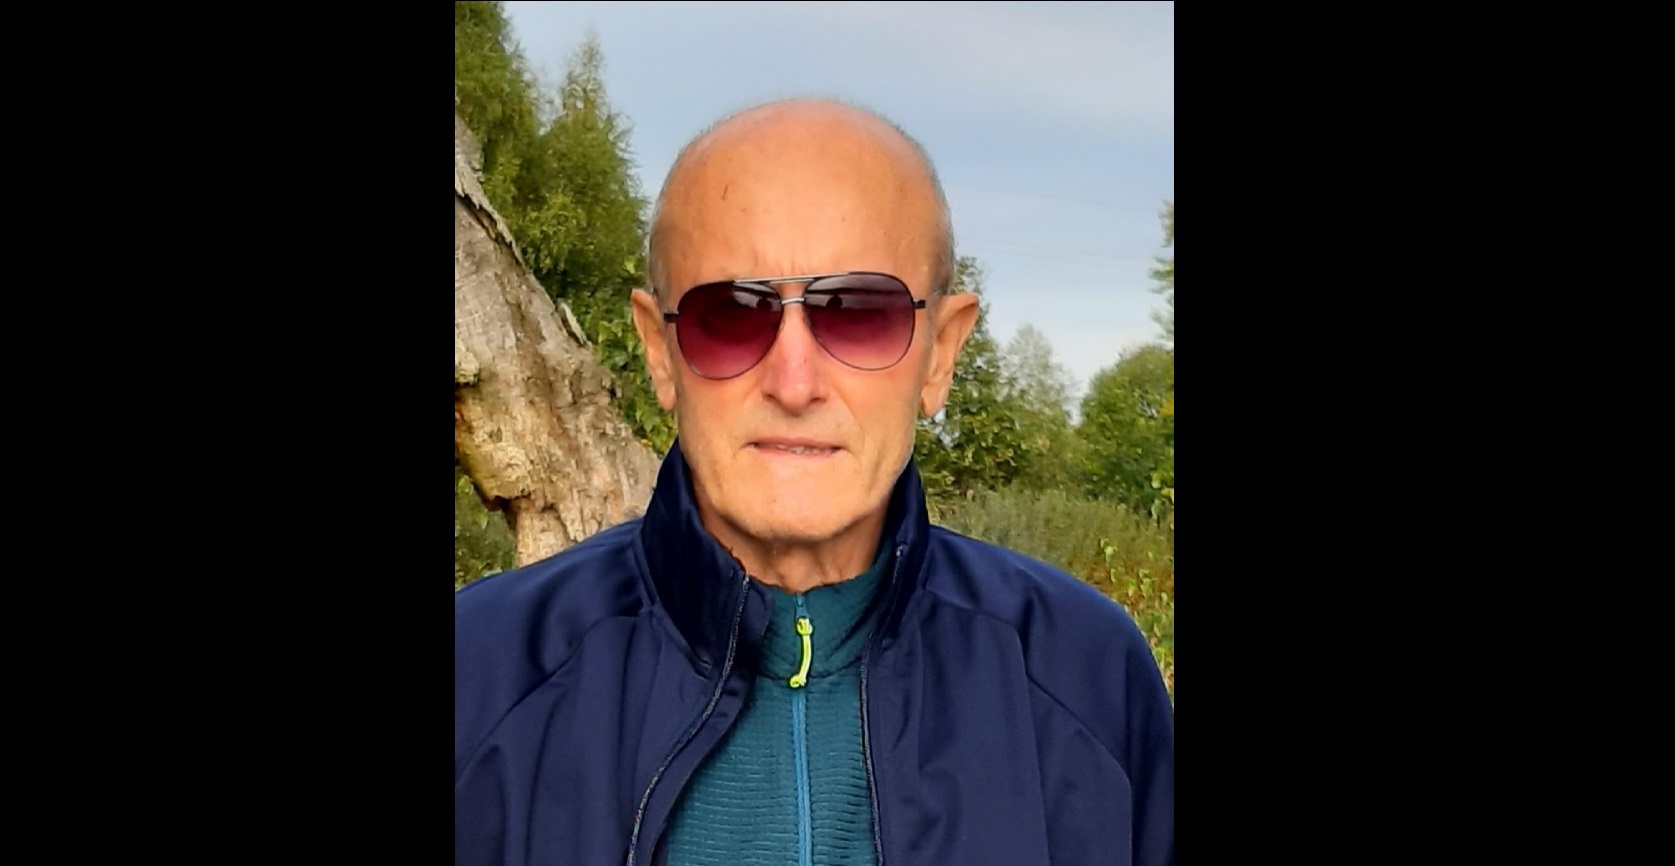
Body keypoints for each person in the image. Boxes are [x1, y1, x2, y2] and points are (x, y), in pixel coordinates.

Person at [455, 97, 1174, 866]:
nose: (793, 383)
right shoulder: (480, 675)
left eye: (858, 314)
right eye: (730, 315)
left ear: (939, 353)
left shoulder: (1087, 676)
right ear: (659, 352)